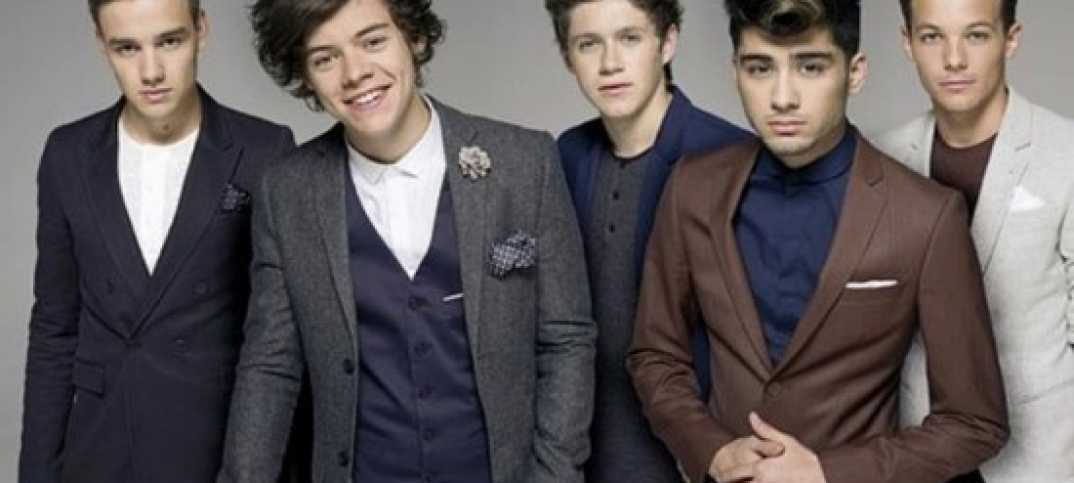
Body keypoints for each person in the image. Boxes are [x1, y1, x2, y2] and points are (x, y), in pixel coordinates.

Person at [628, 1, 1008, 482]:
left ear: (855, 72)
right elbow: (655, 355)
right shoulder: (692, 189)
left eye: (810, 67)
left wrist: (829, 473)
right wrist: (712, 451)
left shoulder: (927, 216)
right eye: (760, 68)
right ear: (735, 71)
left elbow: (975, 422)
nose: (782, 97)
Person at [217, 1, 596, 482]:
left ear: (414, 37)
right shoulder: (287, 193)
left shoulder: (524, 163)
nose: (355, 73)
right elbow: (271, 366)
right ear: (305, 75)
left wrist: (553, 475)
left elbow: (567, 340)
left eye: (373, 41)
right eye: (325, 58)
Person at [18, 1, 295, 482]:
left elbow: (281, 342)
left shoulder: (264, 150)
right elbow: (53, 330)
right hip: (98, 451)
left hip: (216, 449)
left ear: (200, 30)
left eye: (169, 41)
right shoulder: (67, 154)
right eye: (127, 48)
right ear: (101, 44)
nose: (151, 72)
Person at [543, 0, 748, 480]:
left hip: (698, 452)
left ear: (667, 42)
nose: (610, 63)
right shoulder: (565, 155)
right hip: (588, 450)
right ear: (568, 58)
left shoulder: (731, 157)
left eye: (629, 38)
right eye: (588, 44)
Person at [876, 0, 1074, 481]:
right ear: (907, 43)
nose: (954, 59)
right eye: (932, 37)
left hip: (1037, 452)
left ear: (1011, 38)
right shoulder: (884, 157)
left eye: (976, 35)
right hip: (919, 443)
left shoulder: (1066, 153)